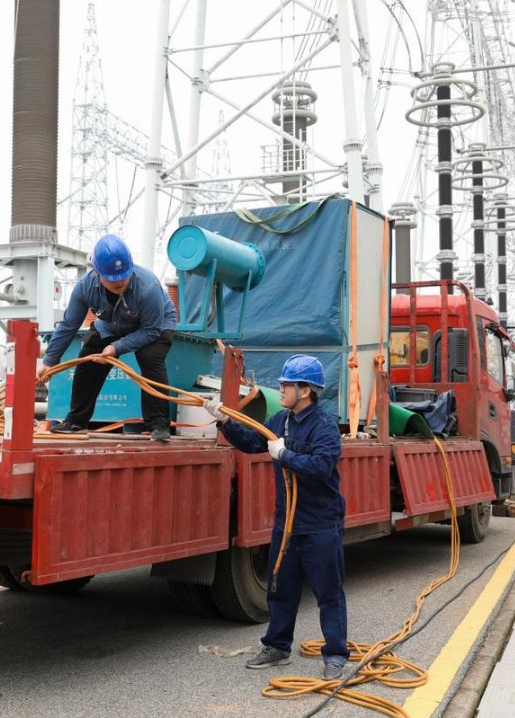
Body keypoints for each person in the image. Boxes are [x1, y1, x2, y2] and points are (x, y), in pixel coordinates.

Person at [202, 355, 349, 682]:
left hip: (321, 524)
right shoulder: (281, 420)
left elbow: (322, 467)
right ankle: (278, 646)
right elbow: (254, 442)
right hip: (288, 523)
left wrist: (286, 455)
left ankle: (336, 653)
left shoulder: (324, 426)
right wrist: (224, 421)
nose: (281, 389)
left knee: (328, 592)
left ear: (306, 390)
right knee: (280, 587)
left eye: (287, 384)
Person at [38, 234, 177, 442]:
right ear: (96, 272)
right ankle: (76, 421)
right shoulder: (85, 287)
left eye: (123, 276)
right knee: (88, 362)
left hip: (154, 326)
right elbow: (68, 326)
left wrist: (117, 347)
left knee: (150, 358)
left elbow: (151, 331)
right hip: (110, 326)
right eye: (112, 278)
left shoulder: (147, 287)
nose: (119, 281)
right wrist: (49, 361)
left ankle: (158, 424)